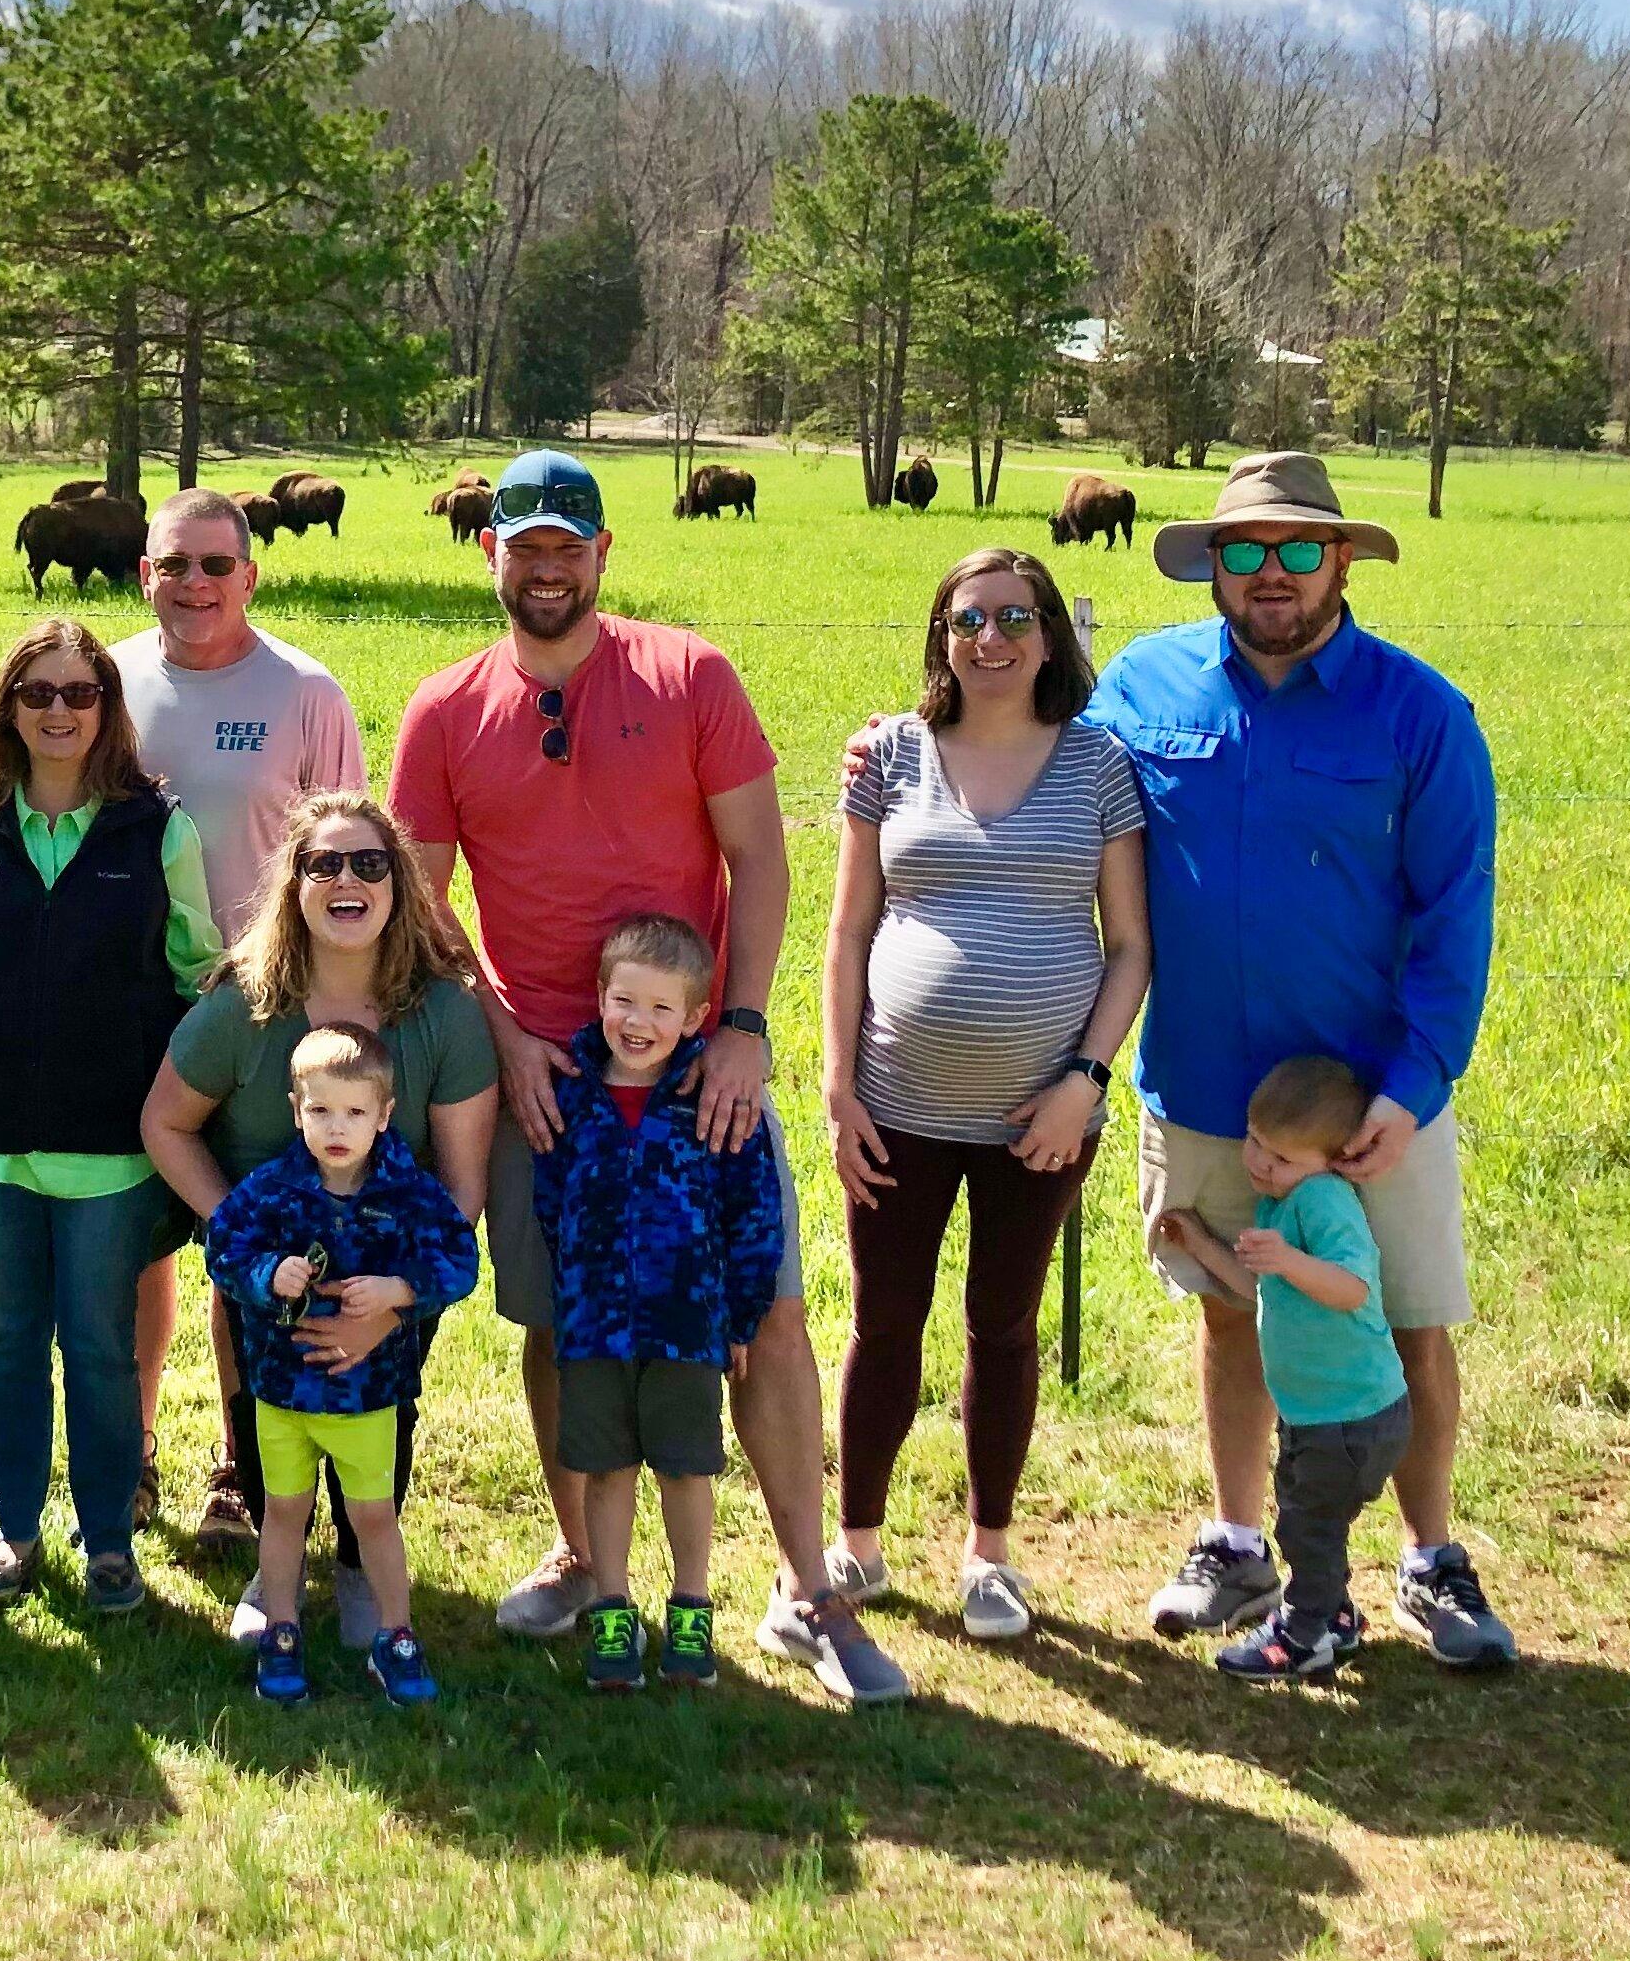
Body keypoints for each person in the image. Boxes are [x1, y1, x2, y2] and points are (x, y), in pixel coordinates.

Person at [389, 448, 905, 1703]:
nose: (547, 564)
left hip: (694, 1077)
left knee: (762, 1319)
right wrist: (505, 1036)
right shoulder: (445, 708)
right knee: (561, 1324)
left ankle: (807, 1589)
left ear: (604, 553)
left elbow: (761, 863)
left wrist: (739, 1025)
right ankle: (583, 1556)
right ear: (488, 553)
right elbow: (418, 900)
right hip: (549, 1088)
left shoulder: (689, 676)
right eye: (526, 543)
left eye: (570, 543)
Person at [1088, 452, 1511, 1669]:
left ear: (1339, 560)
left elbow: (1453, 911)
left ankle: (1430, 1558)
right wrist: (903, 741)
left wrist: (1414, 1080)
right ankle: (1236, 1541)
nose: (1269, 573)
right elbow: (1044, 776)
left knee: (1413, 1323)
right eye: (1243, 550)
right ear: (1212, 563)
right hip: (1206, 1085)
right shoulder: (1141, 684)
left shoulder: (1417, 711)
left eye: (1294, 549)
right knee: (1232, 1312)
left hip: (1366, 1101)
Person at [819, 548, 1152, 1643]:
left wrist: (1084, 1081)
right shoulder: (891, 757)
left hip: (1040, 1118)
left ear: (1050, 636)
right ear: (941, 636)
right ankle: (857, 1543)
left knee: (1002, 1324)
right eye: (968, 619)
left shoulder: (1097, 764)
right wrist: (837, 1084)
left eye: (1015, 617)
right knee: (885, 1318)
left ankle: (989, 1553)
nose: (991, 638)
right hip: (896, 1104)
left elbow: (1130, 947)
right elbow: (849, 929)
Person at [0, 617, 220, 1614]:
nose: (58, 711)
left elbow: (200, 979)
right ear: (8, 709)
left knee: (100, 1344)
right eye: (37, 693)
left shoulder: (159, 827)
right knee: (10, 1337)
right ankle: (14, 1534)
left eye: (79, 692)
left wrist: (203, 1108)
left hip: (112, 1145)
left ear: (107, 708)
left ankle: (108, 1543)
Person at [140, 791, 498, 1650]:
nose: (347, 879)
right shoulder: (244, 1006)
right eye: (323, 863)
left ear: (399, 884)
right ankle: (276, 1573)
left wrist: (396, 1303)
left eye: (369, 863)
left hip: (391, 1285)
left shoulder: (445, 1013)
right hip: (270, 1288)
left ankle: (358, 1572)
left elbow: (460, 1190)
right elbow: (165, 1123)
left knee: (384, 1424)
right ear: (293, 884)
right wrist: (244, 1237)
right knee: (269, 1422)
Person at [112, 486, 365, 1550]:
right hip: (125, 1004)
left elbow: (355, 866)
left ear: (251, 575)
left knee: (246, 1236)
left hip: (263, 1009)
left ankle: (238, 1466)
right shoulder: (109, 680)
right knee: (131, 1244)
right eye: (174, 565)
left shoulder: (306, 692)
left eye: (215, 564)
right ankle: (125, 1458)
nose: (194, 584)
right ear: (144, 575)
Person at [537, 917, 788, 1692]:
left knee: (685, 1470)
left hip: (687, 1327)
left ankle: (691, 1607)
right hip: (595, 1329)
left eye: (660, 1009)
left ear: (694, 1019)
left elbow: (754, 1217)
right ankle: (613, 1612)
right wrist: (576, 1288)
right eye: (623, 1002)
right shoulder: (574, 1097)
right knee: (606, 1470)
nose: (638, 1023)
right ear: (600, 998)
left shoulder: (710, 1101)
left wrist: (739, 1316)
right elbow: (551, 1201)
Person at [202, 1023, 474, 1707]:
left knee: (375, 1515)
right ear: (296, 1110)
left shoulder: (409, 1194)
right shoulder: (270, 1191)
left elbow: (459, 1260)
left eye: (355, 1112)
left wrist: (400, 1291)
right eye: (320, 1110)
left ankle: (396, 1634)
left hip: (366, 1397)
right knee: (285, 1513)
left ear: (385, 1116)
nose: (337, 1127)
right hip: (283, 1392)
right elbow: (224, 1250)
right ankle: (282, 1629)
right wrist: (268, 1274)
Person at [1150, 1058, 1412, 1683]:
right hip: (1319, 1414)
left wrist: (1290, 1259)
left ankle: (1302, 1633)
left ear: (1330, 1160)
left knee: (1305, 1528)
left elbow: (1351, 1287)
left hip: (1350, 1417)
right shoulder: (1284, 1198)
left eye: (1282, 1158)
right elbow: (1259, 1287)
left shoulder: (1323, 1202)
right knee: (1315, 1525)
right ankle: (1335, 1615)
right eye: (1256, 1143)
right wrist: (1203, 1247)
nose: (1261, 1164)